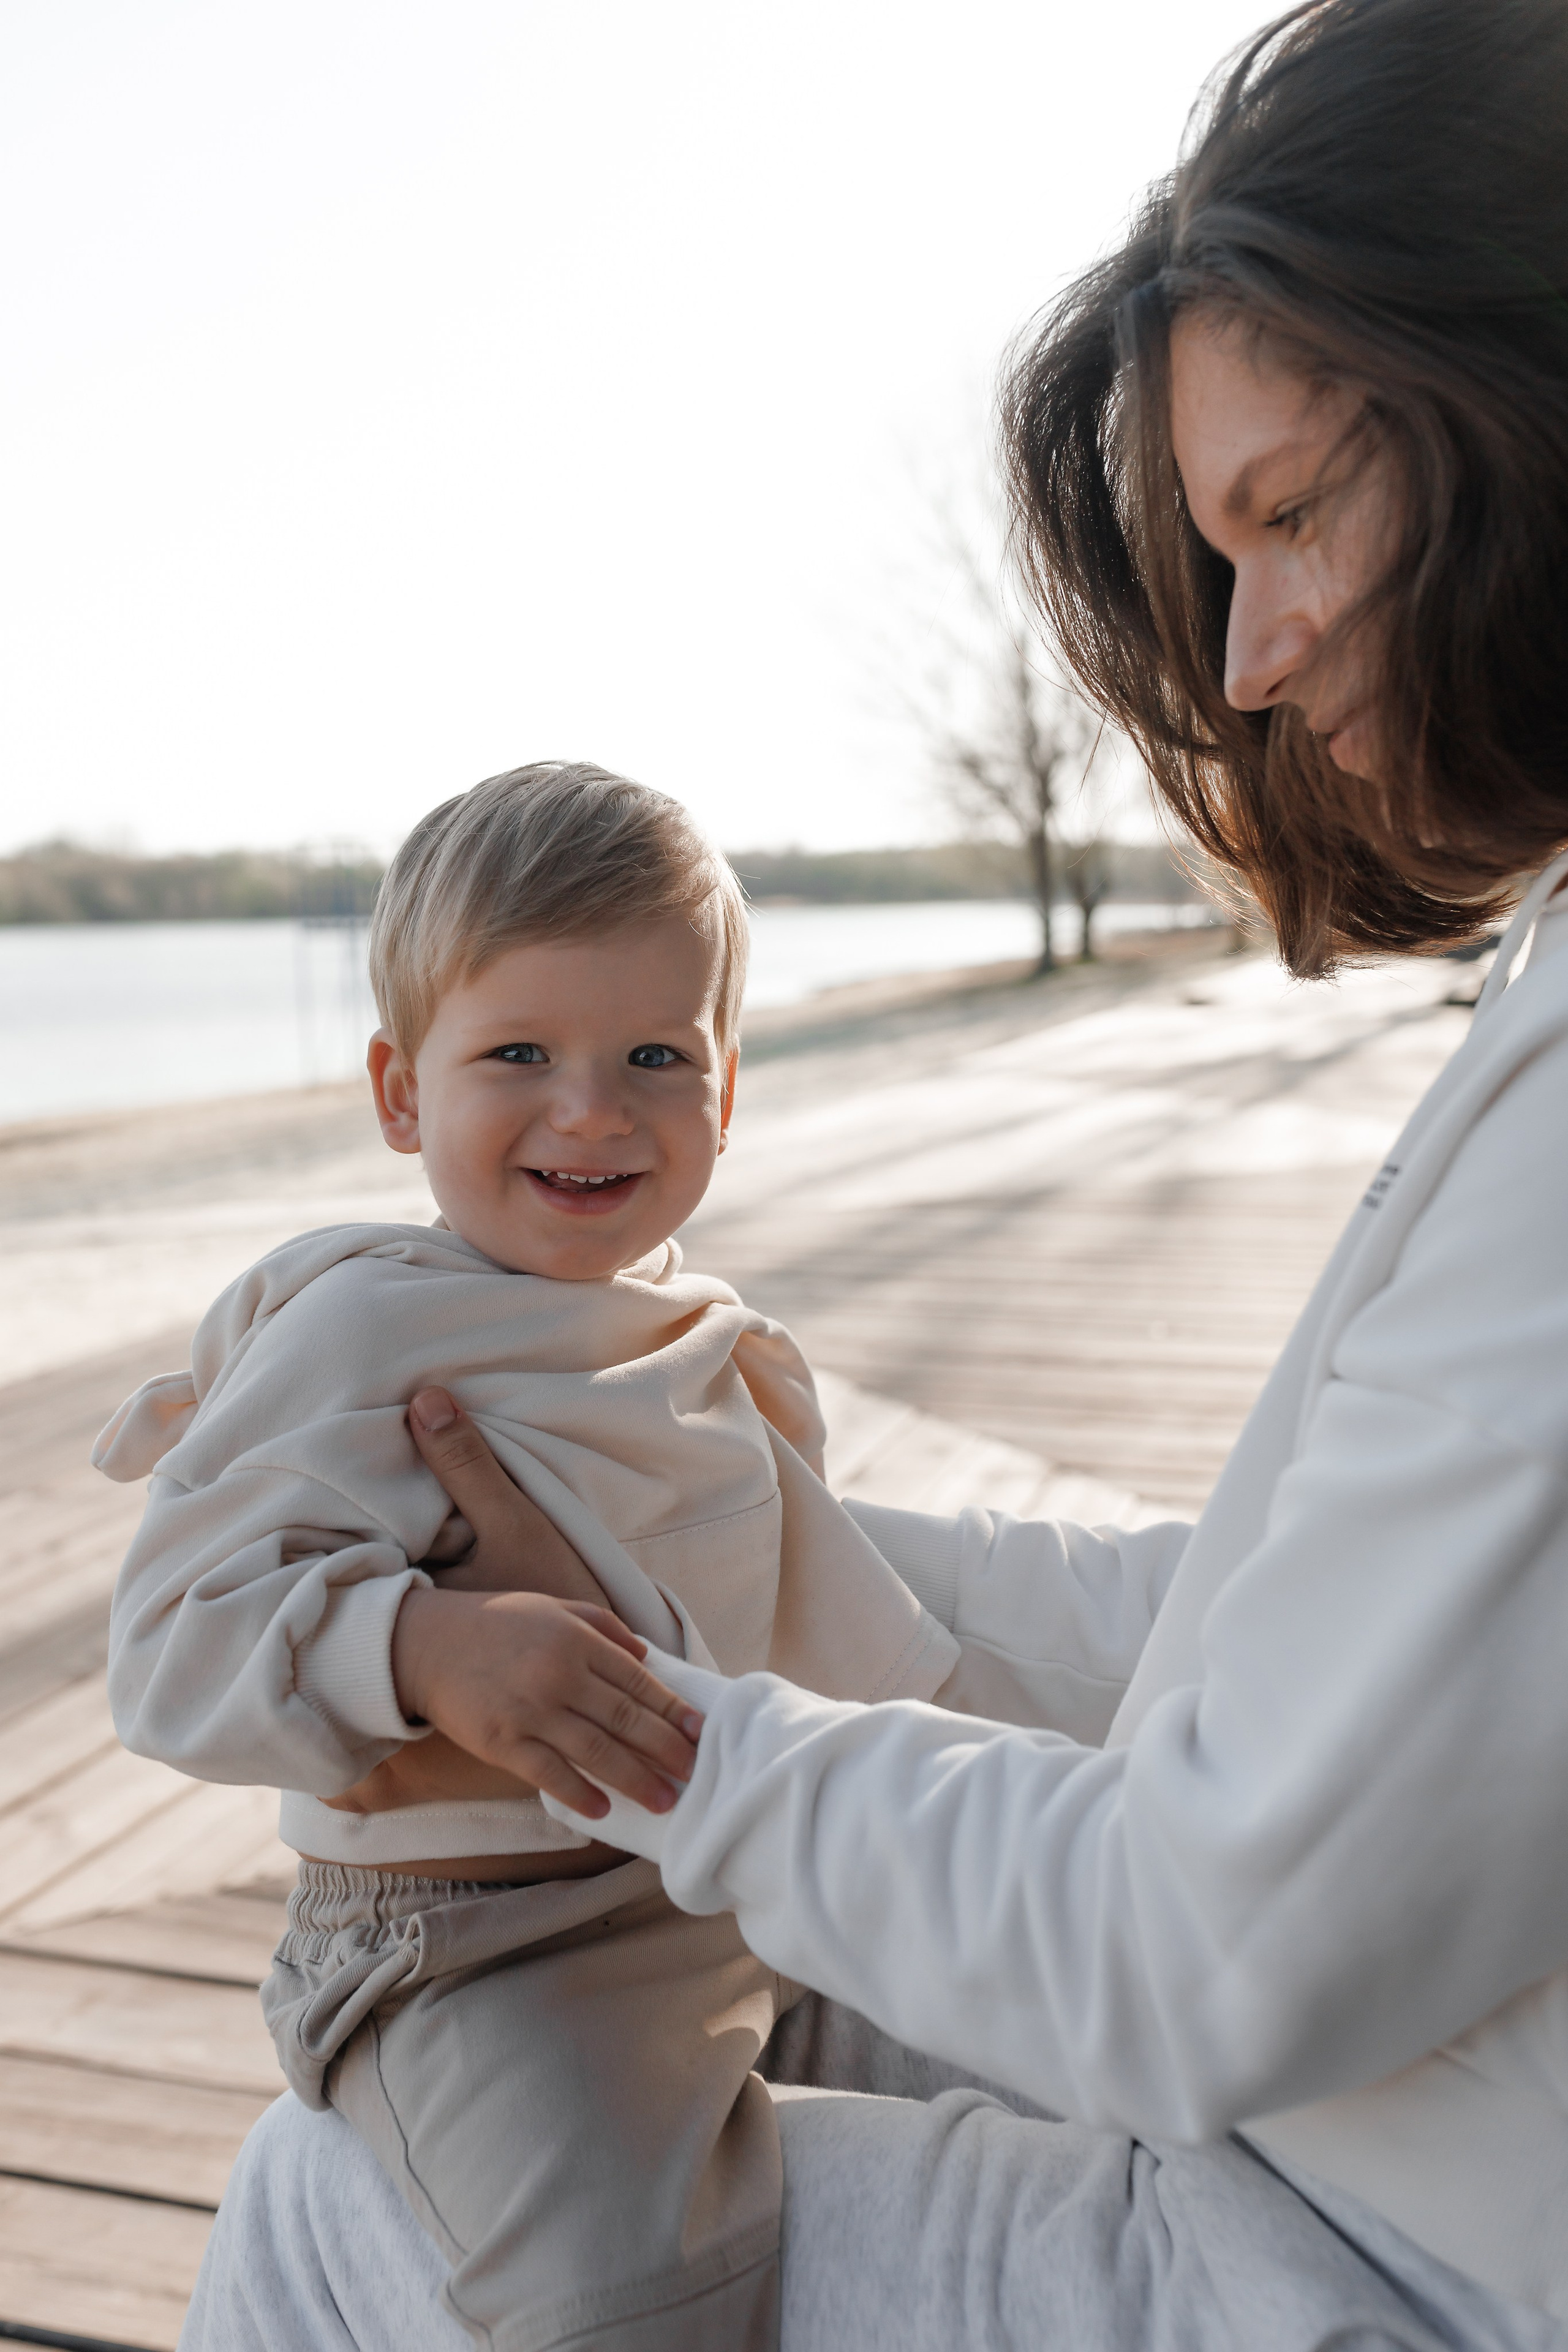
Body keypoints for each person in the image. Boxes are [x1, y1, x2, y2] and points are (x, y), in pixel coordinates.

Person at [182, 0, 1568, 2345]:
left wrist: (646, 1719)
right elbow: (1317, 1639)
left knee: (341, 2205)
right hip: (1423, 2077)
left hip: (1406, 2241)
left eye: (1291, 510)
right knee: (670, 2028)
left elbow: (1189, 1953)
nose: (1245, 661)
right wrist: (724, 1525)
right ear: (404, 1084)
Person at [100, 762, 963, 2351]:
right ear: (399, 1094)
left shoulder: (686, 1335)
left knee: (1029, 2052)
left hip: (722, 1871)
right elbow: (167, 1645)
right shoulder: (361, 1328)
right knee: (622, 2291)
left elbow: (821, 1627)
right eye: (519, 1055)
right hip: (482, 1944)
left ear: (728, 1084)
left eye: (655, 1054)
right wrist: (425, 1651)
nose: (592, 1108)